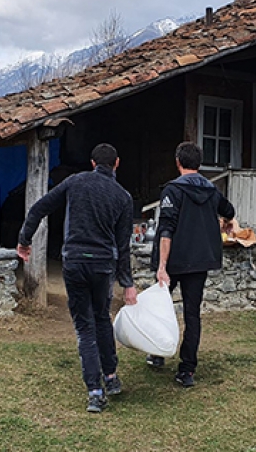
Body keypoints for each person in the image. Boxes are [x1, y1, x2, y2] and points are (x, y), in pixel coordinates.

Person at [16, 143, 137, 413]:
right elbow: (124, 245)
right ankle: (111, 377)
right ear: (117, 163)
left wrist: (25, 240)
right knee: (102, 318)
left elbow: (38, 208)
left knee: (84, 327)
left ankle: (95, 392)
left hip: (75, 262)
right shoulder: (123, 197)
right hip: (104, 265)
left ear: (93, 163)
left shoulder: (75, 182)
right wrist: (127, 283)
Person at [147, 141, 235, 387]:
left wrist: (161, 266)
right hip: (199, 262)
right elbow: (229, 210)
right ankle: (187, 369)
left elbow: (166, 230)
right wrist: (226, 221)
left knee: (160, 308)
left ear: (177, 162)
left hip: (175, 260)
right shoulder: (211, 190)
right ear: (199, 163)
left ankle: (157, 353)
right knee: (192, 314)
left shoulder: (172, 191)